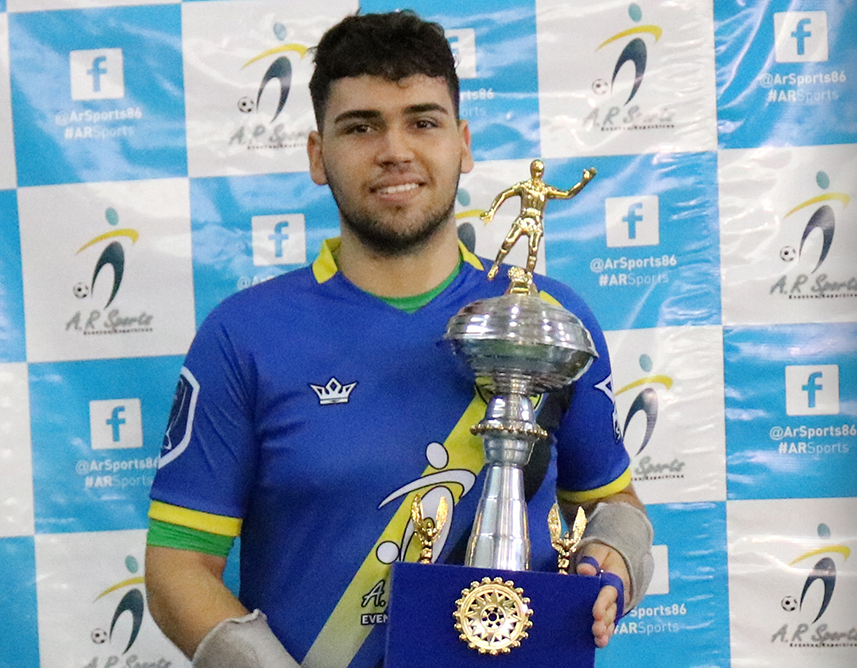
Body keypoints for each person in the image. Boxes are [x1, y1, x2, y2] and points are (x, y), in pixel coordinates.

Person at [145, 11, 653, 668]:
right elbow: (178, 567)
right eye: (361, 127)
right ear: (317, 155)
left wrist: (613, 557)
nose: (395, 150)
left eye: (423, 122)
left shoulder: (545, 321)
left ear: (462, 144)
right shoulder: (244, 336)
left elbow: (614, 503)